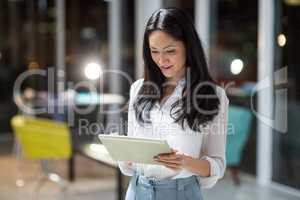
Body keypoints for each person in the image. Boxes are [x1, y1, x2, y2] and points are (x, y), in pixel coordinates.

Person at [118, 7, 229, 200]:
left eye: (170, 51)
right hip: (136, 191)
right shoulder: (138, 89)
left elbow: (217, 165)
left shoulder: (214, 96)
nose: (161, 60)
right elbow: (128, 164)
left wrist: (185, 163)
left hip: (182, 193)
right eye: (154, 51)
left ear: (188, 46)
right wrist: (126, 155)